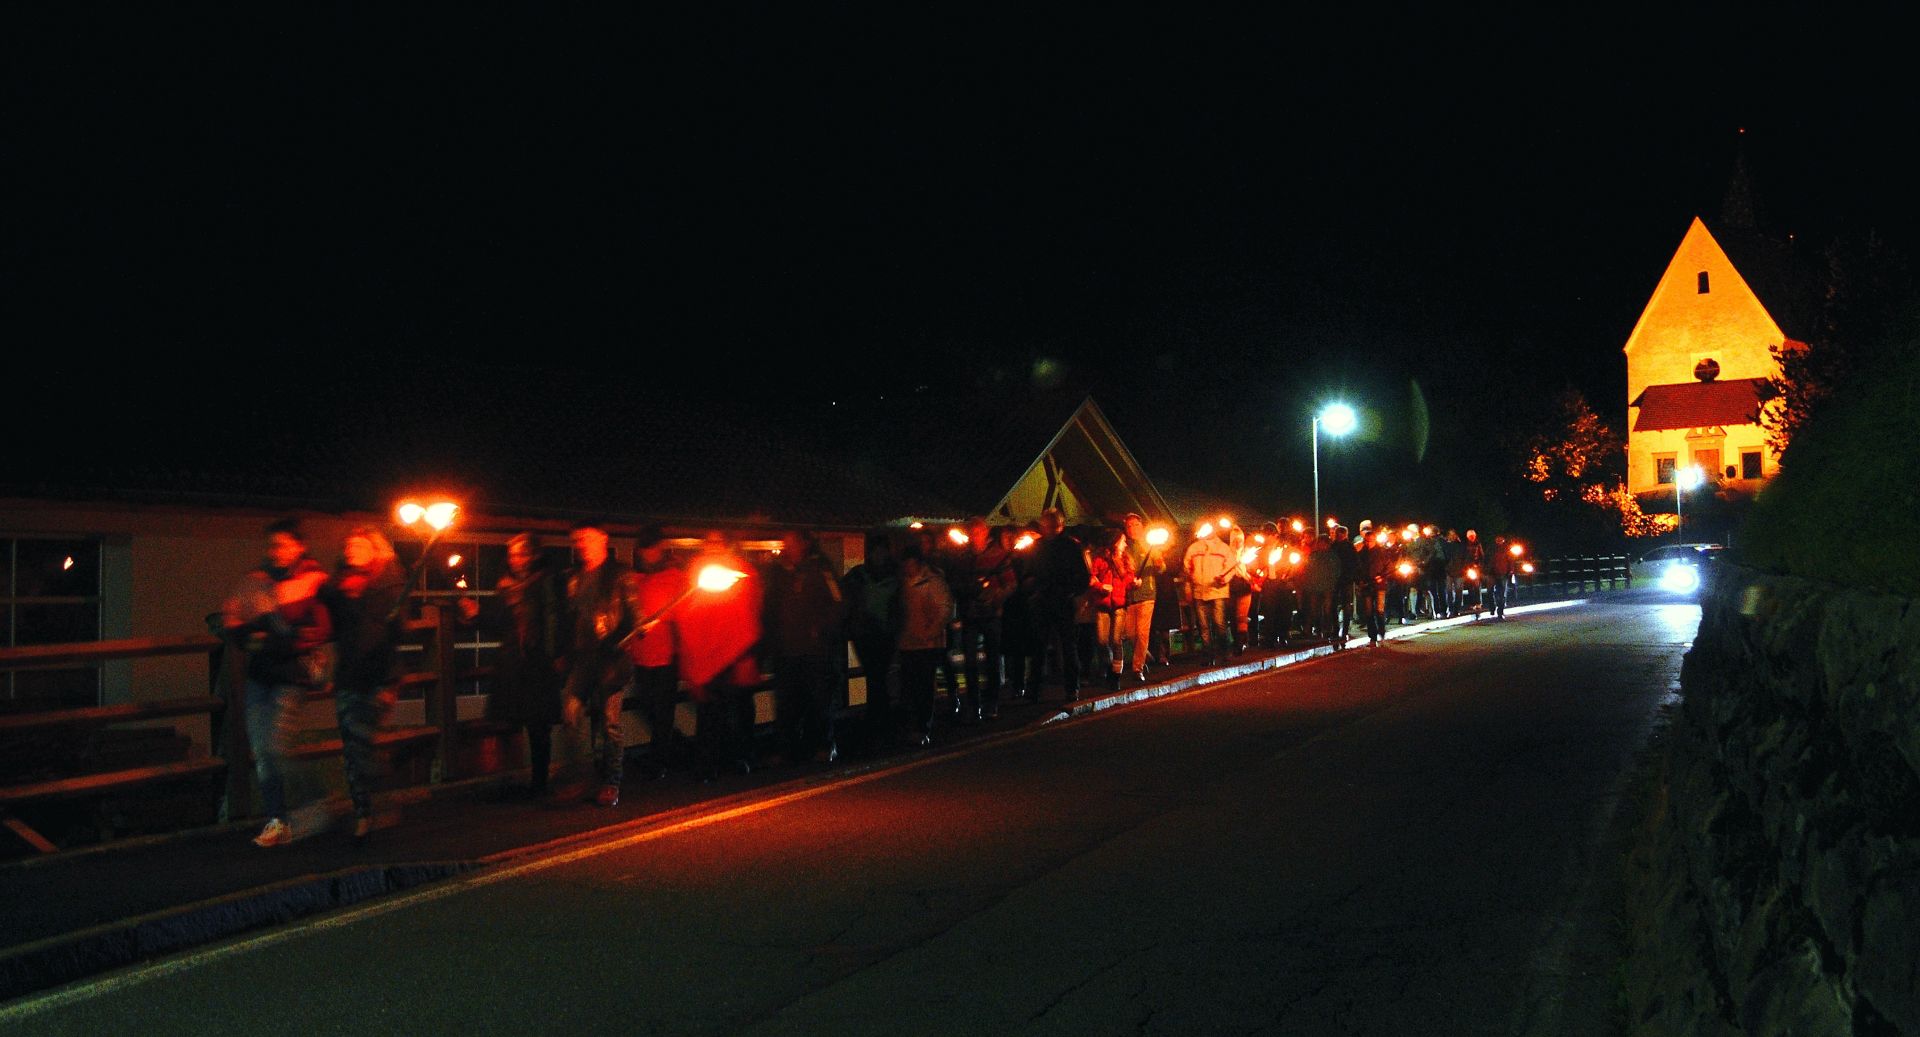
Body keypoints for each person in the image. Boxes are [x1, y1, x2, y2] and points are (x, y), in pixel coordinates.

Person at [222, 518, 332, 848]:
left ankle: (315, 804)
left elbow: (319, 629)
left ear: (300, 546)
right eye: (274, 545)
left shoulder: (314, 581)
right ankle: (277, 820)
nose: (277, 551)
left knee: (278, 746)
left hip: (291, 676)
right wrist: (256, 637)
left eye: (285, 544)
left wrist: (269, 638)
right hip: (260, 675)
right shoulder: (255, 582)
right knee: (262, 749)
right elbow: (232, 622)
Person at [463, 532, 566, 797]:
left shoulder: (547, 580)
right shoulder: (506, 585)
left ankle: (540, 782)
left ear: (533, 555)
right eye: (512, 555)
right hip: (514, 662)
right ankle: (517, 776)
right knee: (512, 718)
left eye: (521, 554)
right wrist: (477, 616)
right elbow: (498, 626)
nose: (515, 560)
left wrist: (555, 655)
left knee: (538, 724)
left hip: (538, 661)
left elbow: (555, 619)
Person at [320, 527, 406, 838]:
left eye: (360, 545)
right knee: (352, 746)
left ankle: (376, 803)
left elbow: (396, 634)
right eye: (349, 544)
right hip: (348, 676)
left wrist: (390, 683)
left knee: (361, 742)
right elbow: (328, 620)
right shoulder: (338, 587)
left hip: (378, 676)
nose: (352, 549)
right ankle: (364, 812)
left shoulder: (388, 586)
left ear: (375, 550)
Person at [562, 520, 640, 807]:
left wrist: (616, 643)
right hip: (583, 660)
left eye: (588, 538)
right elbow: (571, 618)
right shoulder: (574, 577)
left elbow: (635, 617)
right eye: (578, 540)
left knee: (610, 724)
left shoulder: (620, 575)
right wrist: (566, 653)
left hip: (612, 659)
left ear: (603, 539)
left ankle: (611, 781)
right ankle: (580, 776)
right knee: (570, 712)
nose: (582, 545)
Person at [675, 532, 762, 782]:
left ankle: (741, 758)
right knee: (709, 714)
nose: (713, 547)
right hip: (706, 657)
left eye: (718, 542)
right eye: (709, 542)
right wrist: (693, 660)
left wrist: (745, 652)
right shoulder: (695, 575)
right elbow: (687, 616)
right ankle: (707, 765)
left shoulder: (740, 572)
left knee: (738, 711)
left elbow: (749, 613)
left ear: (726, 545)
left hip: (735, 655)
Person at [761, 530, 847, 765]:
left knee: (819, 700)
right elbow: (770, 606)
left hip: (815, 650)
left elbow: (838, 603)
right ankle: (787, 748)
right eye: (786, 543)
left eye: (793, 543)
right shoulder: (779, 571)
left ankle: (823, 744)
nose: (789, 548)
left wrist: (821, 626)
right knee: (787, 702)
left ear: (805, 543)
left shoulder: (821, 568)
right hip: (787, 649)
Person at [627, 526, 687, 778]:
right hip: (641, 656)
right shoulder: (633, 579)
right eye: (647, 550)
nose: (651, 554)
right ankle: (674, 747)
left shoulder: (675, 576)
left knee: (663, 710)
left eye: (655, 548)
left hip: (665, 656)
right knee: (647, 705)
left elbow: (684, 612)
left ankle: (660, 760)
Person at [946, 516, 1014, 722]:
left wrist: (995, 596)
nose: (974, 536)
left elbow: (1010, 584)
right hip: (970, 615)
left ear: (985, 533)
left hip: (991, 614)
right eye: (971, 533)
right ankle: (973, 703)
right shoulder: (963, 557)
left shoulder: (998, 555)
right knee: (970, 662)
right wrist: (967, 591)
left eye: (978, 532)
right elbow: (955, 584)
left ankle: (991, 702)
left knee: (992, 660)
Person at [842, 531, 902, 752]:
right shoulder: (858, 576)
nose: (879, 555)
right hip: (865, 634)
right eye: (875, 551)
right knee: (874, 677)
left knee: (878, 677)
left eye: (882, 551)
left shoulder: (895, 576)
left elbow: (900, 607)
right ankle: (879, 723)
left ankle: (879, 723)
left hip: (884, 634)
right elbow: (844, 599)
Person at [1028, 509, 1089, 701]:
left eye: (1052, 526)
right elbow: (1029, 571)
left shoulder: (1071, 546)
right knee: (1039, 646)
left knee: (1068, 646)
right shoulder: (1037, 546)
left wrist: (1072, 594)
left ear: (1060, 526)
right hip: (1044, 601)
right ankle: (1035, 690)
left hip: (1062, 601)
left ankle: (1072, 688)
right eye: (1046, 526)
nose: (1049, 530)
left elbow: (1083, 576)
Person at [896, 544, 953, 746]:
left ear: (918, 563)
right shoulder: (902, 584)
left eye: (910, 564)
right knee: (909, 687)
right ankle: (911, 726)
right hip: (907, 643)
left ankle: (923, 727)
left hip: (927, 644)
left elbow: (945, 609)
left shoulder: (933, 582)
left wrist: (930, 631)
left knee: (924, 687)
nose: (907, 567)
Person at [1086, 526, 1134, 691]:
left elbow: (1129, 580)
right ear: (1115, 543)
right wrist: (1101, 587)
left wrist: (1130, 580)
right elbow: (1092, 579)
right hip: (1103, 604)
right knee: (1101, 640)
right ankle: (1106, 667)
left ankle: (1115, 675)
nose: (1125, 544)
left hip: (1119, 605)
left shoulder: (1126, 560)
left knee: (1116, 640)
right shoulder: (1100, 560)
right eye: (1122, 541)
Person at [1182, 520, 1235, 664]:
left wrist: (1225, 579)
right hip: (1199, 591)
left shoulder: (1223, 548)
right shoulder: (1194, 548)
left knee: (1219, 623)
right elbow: (1187, 569)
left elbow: (1231, 567)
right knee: (1203, 626)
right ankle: (1208, 655)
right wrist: (1188, 587)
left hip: (1218, 591)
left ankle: (1225, 651)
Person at [1121, 513, 1165, 681]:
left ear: (1142, 526)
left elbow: (1161, 569)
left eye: (1135, 525)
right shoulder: (1124, 547)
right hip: (1130, 595)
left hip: (1147, 594)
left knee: (1142, 632)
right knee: (1131, 633)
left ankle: (1137, 667)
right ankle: (1144, 654)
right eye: (1129, 526)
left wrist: (1159, 562)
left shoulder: (1150, 545)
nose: (1132, 529)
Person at [1488, 533, 1514, 619]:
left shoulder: (1506, 548)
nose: (1499, 540)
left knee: (1501, 593)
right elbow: (1487, 560)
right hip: (1492, 573)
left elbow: (1510, 560)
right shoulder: (1491, 548)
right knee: (1491, 592)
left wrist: (1510, 570)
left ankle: (1500, 611)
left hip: (1503, 573)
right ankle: (1493, 608)